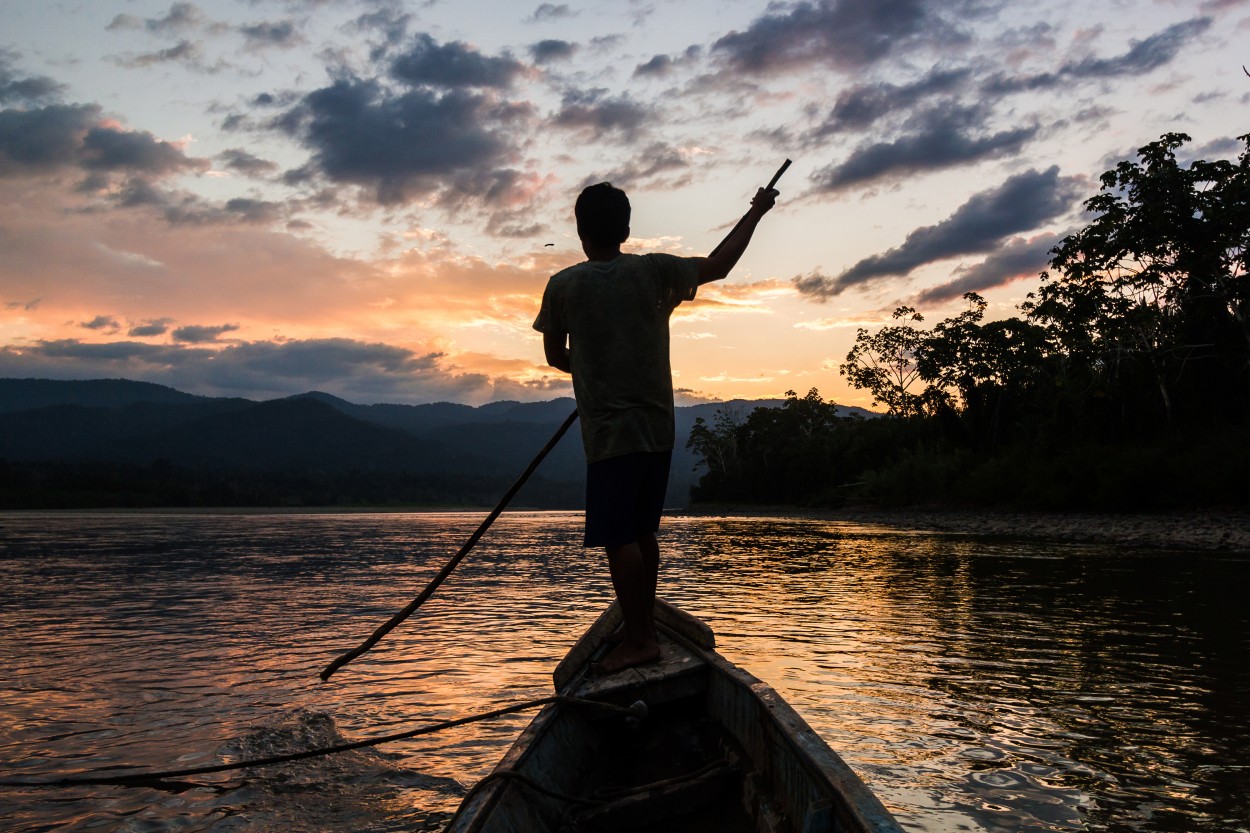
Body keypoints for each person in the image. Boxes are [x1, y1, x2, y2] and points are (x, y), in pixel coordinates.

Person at [534, 181, 778, 673]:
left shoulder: (563, 286)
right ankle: (642, 626)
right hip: (658, 430)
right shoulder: (654, 271)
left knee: (618, 536)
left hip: (610, 436)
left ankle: (642, 638)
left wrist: (590, 365)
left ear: (580, 232)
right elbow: (719, 265)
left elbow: (557, 355)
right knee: (643, 531)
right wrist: (756, 211)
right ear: (626, 229)